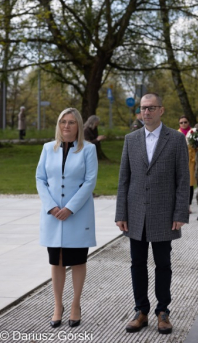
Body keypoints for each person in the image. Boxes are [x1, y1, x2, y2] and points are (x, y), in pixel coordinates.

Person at [115, 93, 190, 335]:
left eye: (151, 108)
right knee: (137, 263)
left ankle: (163, 311)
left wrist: (180, 212)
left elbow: (183, 180)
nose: (146, 112)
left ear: (161, 110)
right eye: (143, 108)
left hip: (163, 214)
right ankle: (141, 311)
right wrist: (121, 213)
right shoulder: (131, 140)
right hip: (136, 213)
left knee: (163, 264)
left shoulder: (177, 140)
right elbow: (123, 180)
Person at [36, 107, 98, 329]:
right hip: (53, 216)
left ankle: (75, 304)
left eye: (71, 122)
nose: (66, 126)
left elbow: (90, 182)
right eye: (63, 121)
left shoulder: (88, 150)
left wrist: (70, 208)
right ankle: (57, 305)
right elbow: (40, 179)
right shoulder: (47, 149)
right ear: (58, 124)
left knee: (78, 260)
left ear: (78, 126)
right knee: (57, 260)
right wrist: (52, 207)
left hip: (77, 215)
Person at [178, 115, 196, 213]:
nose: (183, 124)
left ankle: (188, 206)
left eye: (185, 122)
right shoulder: (176, 133)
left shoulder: (193, 133)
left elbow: (197, 147)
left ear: (188, 122)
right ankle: (180, 205)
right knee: (179, 184)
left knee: (190, 184)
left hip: (191, 161)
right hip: (179, 162)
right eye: (181, 122)